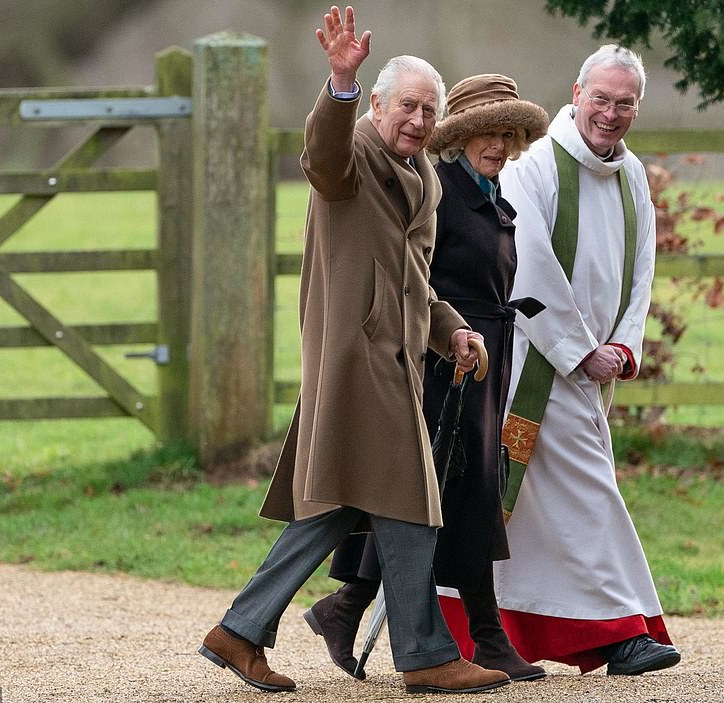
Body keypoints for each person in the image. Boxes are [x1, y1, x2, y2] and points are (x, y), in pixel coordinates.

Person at [198, 6, 510, 695]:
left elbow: (416, 282)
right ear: (376, 104)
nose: (420, 120)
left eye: (430, 110)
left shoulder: (423, 174)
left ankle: (241, 630)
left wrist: (452, 329)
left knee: (342, 507)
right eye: (408, 106)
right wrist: (337, 82)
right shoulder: (355, 154)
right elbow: (321, 154)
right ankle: (426, 653)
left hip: (397, 363)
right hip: (356, 363)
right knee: (410, 504)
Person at [438, 45, 682, 676]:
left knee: (530, 513)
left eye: (624, 102)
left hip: (594, 369)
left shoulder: (632, 177)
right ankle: (622, 631)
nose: (610, 112)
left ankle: (476, 632)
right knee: (587, 492)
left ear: (637, 107)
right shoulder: (536, 166)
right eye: (600, 98)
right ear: (577, 93)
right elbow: (531, 267)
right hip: (534, 365)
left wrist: (624, 346)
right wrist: (580, 352)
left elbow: (642, 269)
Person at [304, 74, 550, 683]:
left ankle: (347, 607)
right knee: (432, 496)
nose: (500, 143)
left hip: (480, 352)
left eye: (510, 133)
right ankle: (473, 638)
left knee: (446, 495)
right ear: (461, 135)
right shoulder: (427, 183)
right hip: (435, 363)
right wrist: (443, 335)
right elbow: (411, 273)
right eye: (489, 132)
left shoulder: (480, 191)